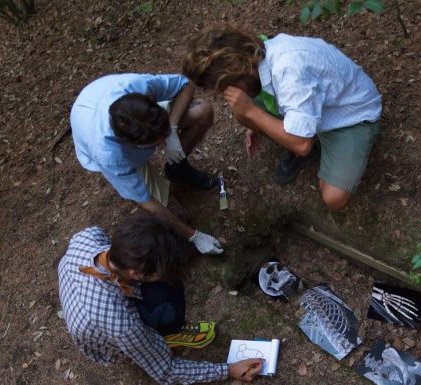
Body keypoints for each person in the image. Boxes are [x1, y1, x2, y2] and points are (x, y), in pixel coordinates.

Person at [182, 26, 382, 210]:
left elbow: (303, 143)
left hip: (349, 117)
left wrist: (253, 113)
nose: (226, 93)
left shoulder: (289, 70)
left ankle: (312, 143)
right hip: (316, 107)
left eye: (227, 86)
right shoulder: (256, 59)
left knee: (333, 197)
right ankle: (304, 143)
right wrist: (251, 121)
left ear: (240, 72)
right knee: (242, 111)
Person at [57, 214, 264, 384]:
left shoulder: (89, 236)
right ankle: (167, 333)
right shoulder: (122, 325)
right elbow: (166, 370)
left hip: (86, 299)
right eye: (157, 272)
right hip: (104, 336)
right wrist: (228, 370)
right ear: (136, 275)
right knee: (168, 291)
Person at [71, 73, 223, 254]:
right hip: (105, 140)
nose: (163, 145)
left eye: (163, 137)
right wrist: (193, 235)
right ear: (134, 145)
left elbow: (186, 85)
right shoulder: (110, 155)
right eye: (156, 143)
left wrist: (172, 128)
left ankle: (177, 169)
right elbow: (145, 201)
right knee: (179, 217)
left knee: (202, 111)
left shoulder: (138, 87)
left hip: (120, 108)